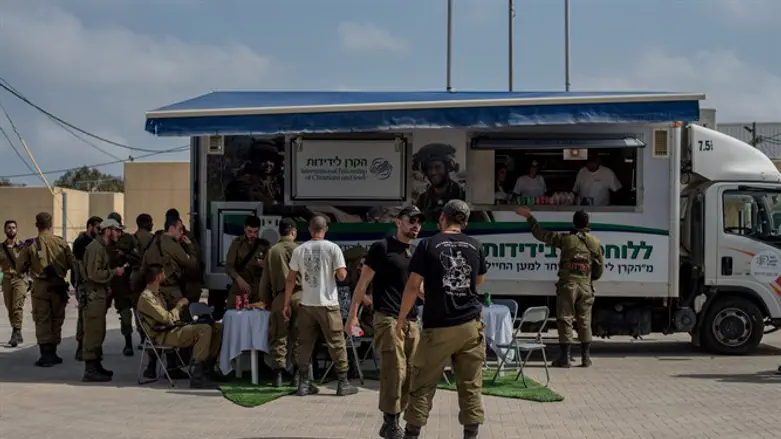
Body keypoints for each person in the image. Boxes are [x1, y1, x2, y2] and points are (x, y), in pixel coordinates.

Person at [396, 200, 487, 439]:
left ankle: (412, 434)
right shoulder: (475, 246)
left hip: (439, 327)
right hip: (470, 326)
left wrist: (401, 319)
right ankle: (470, 435)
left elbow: (413, 286)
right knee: (470, 386)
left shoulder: (428, 245)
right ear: (464, 222)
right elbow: (478, 282)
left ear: (443, 218)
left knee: (423, 384)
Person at [346, 205, 425, 439]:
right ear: (398, 221)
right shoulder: (382, 248)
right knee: (395, 371)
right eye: (411, 220)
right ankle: (390, 422)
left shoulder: (417, 252)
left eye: (419, 221)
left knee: (412, 372)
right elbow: (362, 285)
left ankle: (395, 418)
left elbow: (419, 288)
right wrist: (352, 316)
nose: (416, 225)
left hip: (412, 321)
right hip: (387, 318)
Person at [514, 206, 604, 368]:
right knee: (584, 320)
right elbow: (599, 268)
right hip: (586, 286)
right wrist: (589, 279)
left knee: (565, 319)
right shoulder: (595, 243)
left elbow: (540, 234)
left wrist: (530, 217)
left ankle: (565, 358)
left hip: (568, 285)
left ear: (574, 222)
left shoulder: (565, 239)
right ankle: (586, 358)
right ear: (587, 223)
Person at [283, 215, 358, 397]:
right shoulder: (333, 248)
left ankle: (303, 383)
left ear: (310, 229)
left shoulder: (300, 250)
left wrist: (286, 303)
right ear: (326, 229)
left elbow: (291, 279)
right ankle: (343, 383)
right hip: (328, 304)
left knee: (304, 344)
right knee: (337, 343)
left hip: (307, 304)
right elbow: (341, 276)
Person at [136, 263, 223, 388]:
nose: (165, 275)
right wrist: (179, 305)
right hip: (162, 335)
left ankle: (208, 369)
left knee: (216, 328)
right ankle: (197, 375)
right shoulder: (147, 297)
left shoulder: (157, 293)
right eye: (163, 273)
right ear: (159, 277)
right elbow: (166, 318)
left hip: (171, 330)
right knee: (204, 329)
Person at [15, 212, 78, 367]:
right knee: (57, 318)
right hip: (58, 286)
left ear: (37, 225)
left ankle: (45, 354)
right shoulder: (61, 243)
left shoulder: (31, 245)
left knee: (42, 318)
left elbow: (19, 267)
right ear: (51, 225)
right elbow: (73, 264)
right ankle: (53, 351)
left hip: (40, 287)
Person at [258, 218, 301, 388]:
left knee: (278, 336)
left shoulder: (272, 251)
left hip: (280, 297)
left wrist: (267, 301)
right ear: (293, 232)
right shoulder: (300, 250)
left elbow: (265, 281)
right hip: (300, 297)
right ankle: (298, 375)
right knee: (299, 337)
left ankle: (278, 376)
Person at [81, 218, 125, 382]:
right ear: (107, 230)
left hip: (99, 295)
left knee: (99, 331)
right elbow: (94, 274)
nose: (119, 234)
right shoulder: (95, 248)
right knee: (93, 332)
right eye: (117, 230)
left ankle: (96, 365)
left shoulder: (101, 247)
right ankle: (90, 369)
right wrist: (114, 273)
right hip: (94, 295)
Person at [105, 212, 139, 357]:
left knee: (125, 314)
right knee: (97, 315)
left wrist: (124, 256)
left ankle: (128, 343)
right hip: (105, 281)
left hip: (122, 283)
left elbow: (138, 258)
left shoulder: (128, 239)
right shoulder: (103, 240)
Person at [72, 216, 102, 360]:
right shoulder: (81, 243)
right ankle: (80, 346)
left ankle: (93, 347)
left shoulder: (95, 242)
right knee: (83, 318)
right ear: (90, 226)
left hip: (92, 286)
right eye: (98, 228)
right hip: (84, 285)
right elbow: (81, 267)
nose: (100, 231)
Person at [225, 215, 269, 309]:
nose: (252, 235)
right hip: (240, 288)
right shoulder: (237, 243)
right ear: (245, 228)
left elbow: (272, 266)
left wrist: (264, 264)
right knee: (235, 315)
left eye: (255, 232)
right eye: (250, 231)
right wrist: (239, 279)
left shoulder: (264, 245)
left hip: (258, 291)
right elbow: (229, 266)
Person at [414, 143, 466, 222]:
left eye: (437, 167)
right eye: (430, 168)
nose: (433, 172)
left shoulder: (463, 196)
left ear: (448, 167)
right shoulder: (422, 200)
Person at [130, 213, 155, 347]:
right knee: (151, 305)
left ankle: (142, 335)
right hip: (149, 275)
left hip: (135, 275)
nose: (152, 225)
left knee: (137, 307)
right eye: (150, 222)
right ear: (145, 223)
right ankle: (150, 335)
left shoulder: (131, 238)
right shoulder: (153, 239)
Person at [1, 220, 27, 347]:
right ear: (5, 230)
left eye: (13, 228)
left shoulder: (22, 247)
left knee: (17, 306)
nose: (11, 230)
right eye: (9, 228)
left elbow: (29, 263)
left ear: (17, 230)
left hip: (19, 279)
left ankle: (16, 332)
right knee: (9, 307)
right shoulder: (1, 248)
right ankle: (16, 331)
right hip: (6, 279)